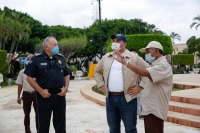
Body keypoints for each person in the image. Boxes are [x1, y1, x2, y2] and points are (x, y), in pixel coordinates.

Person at [114, 41, 173, 133]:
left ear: (156, 51)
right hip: (150, 108)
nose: (147, 54)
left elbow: (144, 73)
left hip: (155, 110)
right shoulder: (155, 64)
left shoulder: (163, 65)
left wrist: (124, 62)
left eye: (148, 52)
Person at [94, 34, 149, 133]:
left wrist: (140, 86)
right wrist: (101, 85)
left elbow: (148, 70)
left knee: (130, 129)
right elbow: (97, 71)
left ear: (125, 44)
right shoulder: (107, 57)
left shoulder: (134, 57)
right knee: (113, 129)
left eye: (118, 41)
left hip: (127, 99)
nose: (115, 43)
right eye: (114, 41)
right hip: (110, 98)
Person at [24, 36, 71, 133]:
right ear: (46, 47)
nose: (57, 47)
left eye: (57, 44)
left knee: (61, 124)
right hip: (44, 97)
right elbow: (29, 78)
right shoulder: (37, 59)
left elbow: (66, 74)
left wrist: (65, 88)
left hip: (59, 96)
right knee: (43, 124)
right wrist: (41, 91)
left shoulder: (61, 59)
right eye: (54, 45)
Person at [16, 54, 39, 133]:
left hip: (36, 94)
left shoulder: (38, 71)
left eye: (31, 59)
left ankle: (39, 130)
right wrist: (18, 97)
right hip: (26, 95)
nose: (29, 61)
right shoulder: (22, 72)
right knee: (26, 113)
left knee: (38, 113)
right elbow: (20, 85)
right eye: (28, 59)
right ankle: (27, 130)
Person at [129, 48, 143, 119]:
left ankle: (140, 113)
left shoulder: (138, 62)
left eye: (134, 53)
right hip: (129, 86)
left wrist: (141, 85)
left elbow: (141, 75)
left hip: (136, 85)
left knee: (138, 99)